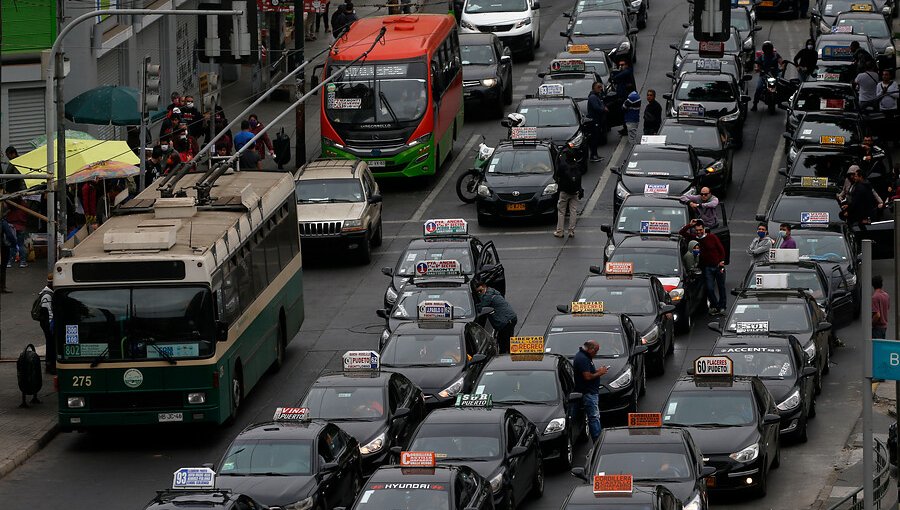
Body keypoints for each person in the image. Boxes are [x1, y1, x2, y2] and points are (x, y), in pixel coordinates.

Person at [679, 219, 727, 315]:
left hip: (718, 266)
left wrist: (722, 261)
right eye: (697, 230)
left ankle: (722, 307)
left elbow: (721, 249)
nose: (699, 232)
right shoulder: (695, 239)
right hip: (707, 268)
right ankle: (716, 306)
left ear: (704, 229)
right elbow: (682, 233)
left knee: (721, 287)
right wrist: (690, 225)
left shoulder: (712, 237)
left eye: (700, 230)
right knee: (709, 288)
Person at [573, 340, 608, 442]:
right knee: (594, 417)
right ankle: (597, 440)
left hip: (589, 392)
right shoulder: (583, 359)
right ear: (590, 349)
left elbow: (588, 372)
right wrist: (600, 373)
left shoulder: (584, 356)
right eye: (595, 351)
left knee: (591, 416)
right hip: (588, 393)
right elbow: (587, 376)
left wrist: (597, 371)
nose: (596, 354)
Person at [474, 280, 517, 354]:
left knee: (504, 343)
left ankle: (505, 357)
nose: (479, 294)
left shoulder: (488, 297)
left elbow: (480, 308)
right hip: (510, 319)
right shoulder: (492, 292)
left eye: (480, 291)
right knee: (507, 341)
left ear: (485, 287)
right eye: (477, 292)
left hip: (506, 321)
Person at [554, 149, 583, 238]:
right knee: (573, 211)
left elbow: (557, 175)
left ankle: (560, 231)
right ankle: (571, 231)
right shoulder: (577, 165)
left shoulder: (563, 166)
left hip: (564, 191)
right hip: (575, 191)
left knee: (561, 211)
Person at [752, 41, 784, 111]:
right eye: (766, 49)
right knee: (759, 88)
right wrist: (757, 68)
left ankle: (780, 102)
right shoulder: (761, 57)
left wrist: (782, 67)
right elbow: (757, 64)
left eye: (769, 49)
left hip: (775, 75)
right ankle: (755, 104)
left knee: (781, 87)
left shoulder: (776, 55)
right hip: (764, 76)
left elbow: (781, 62)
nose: (768, 50)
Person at [36, 275, 55, 374]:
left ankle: (50, 363)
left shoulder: (49, 293)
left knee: (50, 343)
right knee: (51, 344)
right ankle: (50, 364)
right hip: (47, 323)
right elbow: (49, 312)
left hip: (47, 322)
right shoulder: (47, 295)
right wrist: (51, 327)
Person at [587, 81, 607, 159]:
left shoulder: (597, 96)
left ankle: (595, 154)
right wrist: (603, 109)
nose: (600, 88)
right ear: (593, 88)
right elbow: (596, 108)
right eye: (598, 87)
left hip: (597, 120)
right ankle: (593, 155)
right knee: (594, 139)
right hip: (594, 121)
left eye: (601, 87)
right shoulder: (593, 97)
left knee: (596, 138)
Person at [5, 199, 27, 268]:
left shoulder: (9, 202)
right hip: (21, 226)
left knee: (10, 245)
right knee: (21, 244)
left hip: (11, 226)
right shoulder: (23, 203)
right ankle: (22, 262)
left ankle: (8, 262)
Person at [872, 275, 890, 339]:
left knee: (876, 347)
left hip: (877, 328)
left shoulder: (875, 297)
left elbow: (877, 315)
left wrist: (872, 323)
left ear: (873, 285)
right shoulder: (886, 295)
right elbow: (887, 308)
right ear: (881, 284)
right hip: (884, 327)